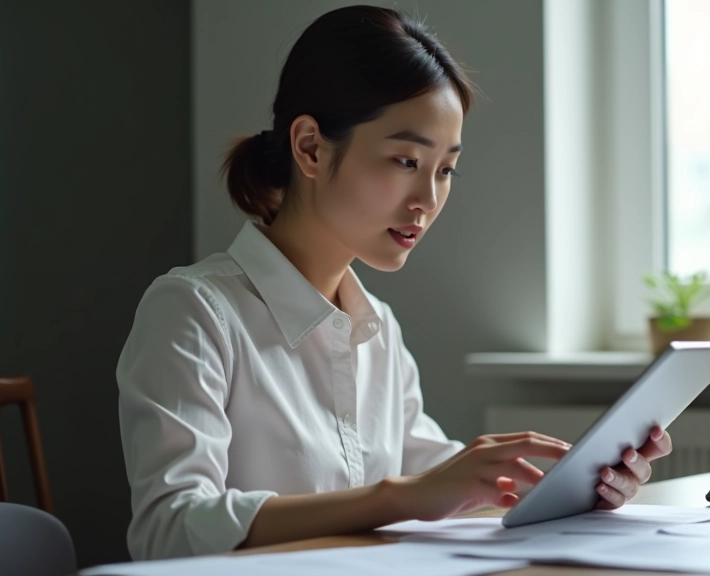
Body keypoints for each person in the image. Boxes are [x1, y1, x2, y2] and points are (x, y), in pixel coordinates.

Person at [116, 5, 673, 561]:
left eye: (446, 169)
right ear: (309, 147)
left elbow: (444, 481)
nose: (427, 201)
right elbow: (170, 528)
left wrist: (581, 487)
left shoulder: (376, 328)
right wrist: (398, 496)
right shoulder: (193, 311)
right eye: (406, 160)